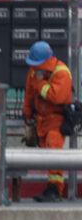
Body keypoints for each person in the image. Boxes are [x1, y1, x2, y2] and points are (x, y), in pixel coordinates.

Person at [22, 40, 72, 202]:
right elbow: (29, 94)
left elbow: (57, 97)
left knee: (54, 152)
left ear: (46, 61)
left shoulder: (62, 72)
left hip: (57, 120)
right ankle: (51, 188)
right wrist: (27, 116)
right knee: (46, 153)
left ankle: (55, 190)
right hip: (41, 120)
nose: (34, 68)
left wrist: (41, 83)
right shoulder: (33, 72)